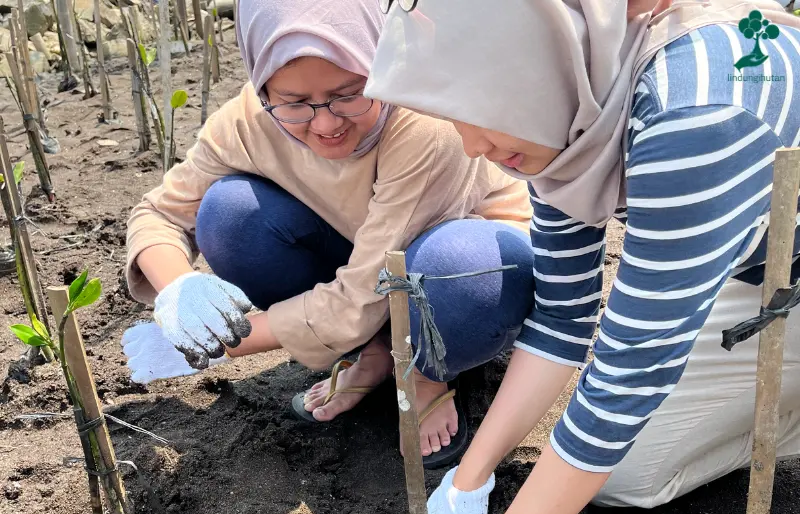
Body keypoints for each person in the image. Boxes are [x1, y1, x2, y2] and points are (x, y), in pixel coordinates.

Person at [365, 0, 800, 514]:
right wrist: (470, 480)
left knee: (608, 456)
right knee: (620, 472)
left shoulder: (703, 107)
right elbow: (565, 315)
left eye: (478, 103)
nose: (471, 145)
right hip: (749, 259)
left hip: (783, 269)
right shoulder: (565, 96)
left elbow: (635, 364)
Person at [121, 0, 534, 468]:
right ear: (263, 89)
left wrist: (226, 343)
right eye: (295, 104)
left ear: (380, 67)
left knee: (454, 267)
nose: (326, 123)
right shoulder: (248, 120)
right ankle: (377, 351)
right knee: (229, 213)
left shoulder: (426, 118)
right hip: (366, 257)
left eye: (350, 93)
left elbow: (365, 289)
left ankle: (428, 372)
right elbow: (159, 212)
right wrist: (179, 285)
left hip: (463, 269)